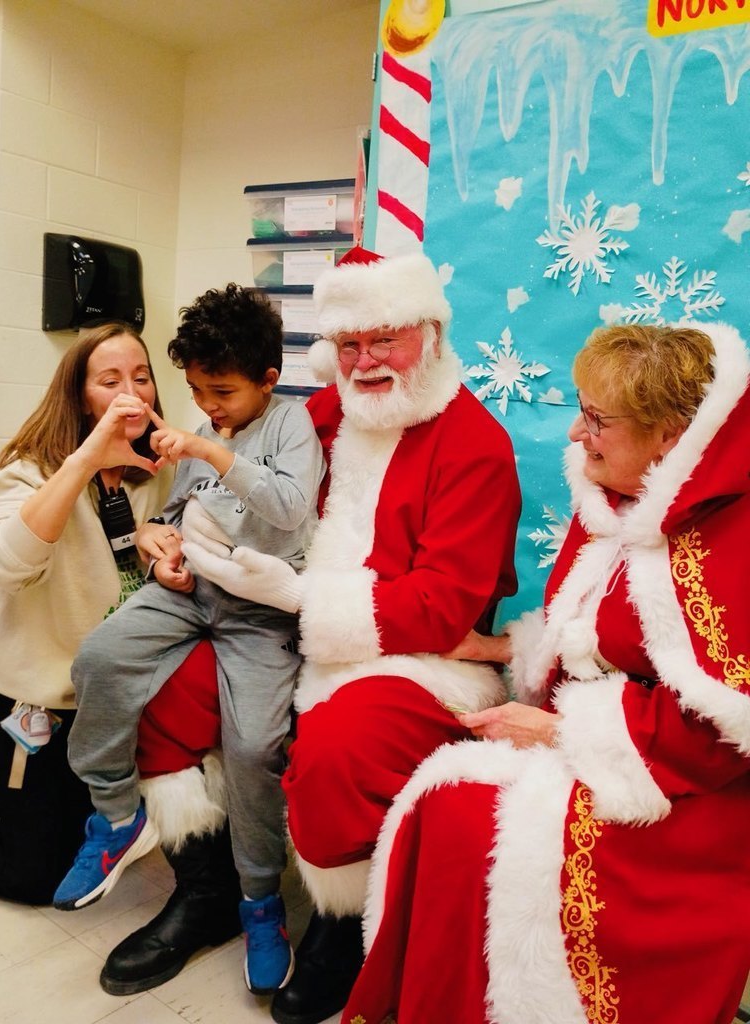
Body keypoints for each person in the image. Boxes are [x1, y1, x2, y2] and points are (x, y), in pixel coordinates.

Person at [342, 321, 750, 1024]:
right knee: (443, 803)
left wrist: (562, 732)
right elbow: (594, 636)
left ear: (668, 436)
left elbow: (717, 726)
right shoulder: (614, 502)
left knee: (467, 819)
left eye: (597, 420)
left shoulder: (731, 536)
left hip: (686, 797)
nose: (573, 435)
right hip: (611, 748)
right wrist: (505, 652)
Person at [183, 247, 522, 1024]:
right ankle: (210, 892)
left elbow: (440, 608)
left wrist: (304, 599)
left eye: (384, 339)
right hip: (287, 629)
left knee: (337, 747)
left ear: (429, 334)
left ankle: (342, 919)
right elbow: (249, 501)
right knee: (172, 687)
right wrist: (180, 534)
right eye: (348, 344)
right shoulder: (318, 418)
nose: (364, 361)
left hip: (422, 661)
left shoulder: (475, 443)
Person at [55, 284, 325, 998]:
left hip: (259, 612)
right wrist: (158, 545)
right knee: (99, 657)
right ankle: (114, 814)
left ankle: (260, 901)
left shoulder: (291, 425)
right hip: (189, 591)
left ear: (269, 378)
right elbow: (183, 505)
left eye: (224, 392)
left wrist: (211, 445)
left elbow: (292, 511)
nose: (209, 405)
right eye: (199, 391)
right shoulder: (210, 430)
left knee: (252, 745)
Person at [0, 323, 225, 909]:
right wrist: (87, 459)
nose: (131, 394)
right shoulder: (31, 471)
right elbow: (3, 564)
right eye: (109, 380)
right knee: (35, 877)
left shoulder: (160, 470)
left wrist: (165, 548)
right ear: (78, 394)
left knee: (92, 847)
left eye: (141, 378)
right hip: (37, 702)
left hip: (112, 705)